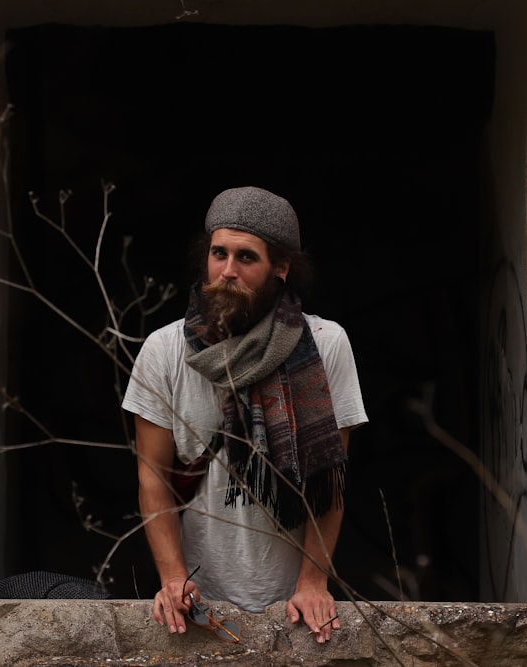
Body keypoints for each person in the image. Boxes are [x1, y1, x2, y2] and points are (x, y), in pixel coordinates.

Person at [121, 186, 368, 643]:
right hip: (200, 601)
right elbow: (152, 475)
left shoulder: (325, 344)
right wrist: (173, 578)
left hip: (292, 602)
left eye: (246, 258)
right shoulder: (164, 349)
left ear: (281, 267)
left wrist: (313, 584)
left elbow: (330, 476)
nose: (227, 271)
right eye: (219, 254)